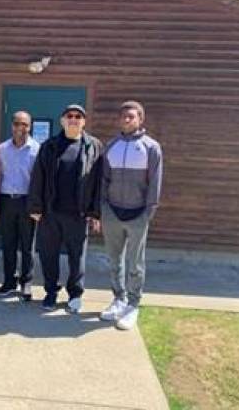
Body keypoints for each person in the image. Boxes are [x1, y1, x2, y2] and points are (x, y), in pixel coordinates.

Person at [28, 104, 102, 313]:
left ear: (84, 122)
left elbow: (98, 182)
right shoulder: (50, 146)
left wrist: (95, 212)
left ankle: (75, 295)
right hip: (51, 212)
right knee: (48, 255)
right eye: (69, 116)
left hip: (78, 214)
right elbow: (38, 178)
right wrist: (35, 206)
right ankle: (51, 292)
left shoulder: (94, 146)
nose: (74, 119)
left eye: (78, 116)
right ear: (62, 121)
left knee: (77, 257)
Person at [99, 100, 163, 330]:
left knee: (135, 262)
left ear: (140, 119)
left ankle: (133, 305)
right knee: (114, 260)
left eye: (132, 117)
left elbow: (155, 183)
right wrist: (104, 208)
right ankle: (119, 299)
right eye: (124, 117)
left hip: (138, 215)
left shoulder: (151, 147)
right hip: (113, 213)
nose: (127, 120)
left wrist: (148, 212)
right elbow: (104, 180)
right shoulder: (111, 146)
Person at [0, 111, 40, 301]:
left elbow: (39, 181)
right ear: (12, 125)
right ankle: (9, 281)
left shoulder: (37, 149)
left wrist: (38, 206)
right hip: (6, 200)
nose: (20, 128)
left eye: (25, 124)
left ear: (30, 127)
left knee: (28, 245)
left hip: (27, 202)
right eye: (17, 124)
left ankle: (26, 282)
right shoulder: (2, 149)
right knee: (8, 244)